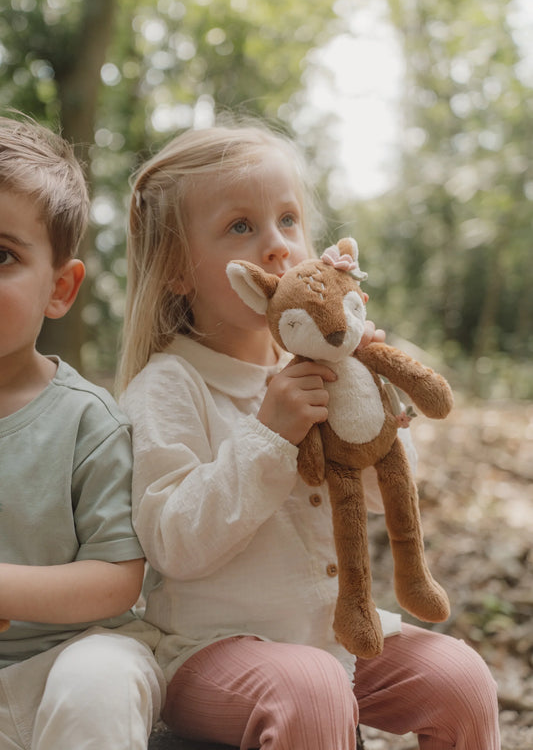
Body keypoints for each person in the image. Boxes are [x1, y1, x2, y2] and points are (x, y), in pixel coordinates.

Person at [118, 117, 500, 750]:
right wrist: (268, 436)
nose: (277, 246)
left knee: (458, 680)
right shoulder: (168, 388)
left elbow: (383, 498)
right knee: (313, 688)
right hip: (210, 651)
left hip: (333, 634)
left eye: (288, 221)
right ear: (179, 271)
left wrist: (371, 407)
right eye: (241, 226)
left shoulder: (320, 370)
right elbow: (172, 543)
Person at [0, 114, 165, 750]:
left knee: (97, 681)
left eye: (1, 254)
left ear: (60, 288)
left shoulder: (86, 419)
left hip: (69, 662)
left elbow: (116, 579)